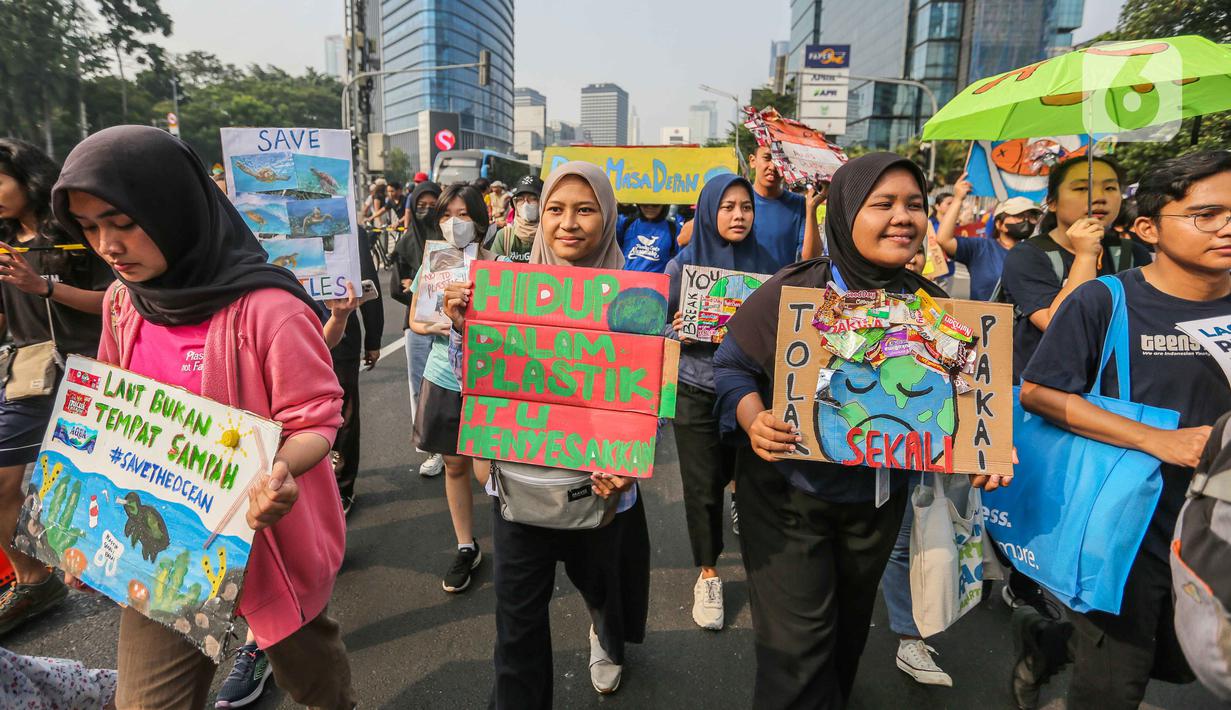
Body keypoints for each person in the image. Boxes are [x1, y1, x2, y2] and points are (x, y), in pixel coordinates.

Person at [52, 125, 353, 708]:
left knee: (317, 686)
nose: (107, 247)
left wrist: (279, 475)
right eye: (89, 229)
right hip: (165, 552)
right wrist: (82, 532)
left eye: (122, 222)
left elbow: (316, 416)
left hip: (268, 548)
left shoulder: (271, 311)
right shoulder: (122, 304)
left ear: (172, 208)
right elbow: (111, 415)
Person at [712, 153, 1008, 709]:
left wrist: (985, 450)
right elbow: (730, 368)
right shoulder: (793, 292)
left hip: (877, 504)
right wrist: (754, 420)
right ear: (844, 216)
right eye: (884, 204)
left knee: (847, 637)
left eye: (915, 205)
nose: (904, 217)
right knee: (795, 652)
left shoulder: (936, 307)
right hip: (785, 501)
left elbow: (967, 406)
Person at [1011, 150, 1231, 710]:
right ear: (1147, 228)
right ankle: (1061, 641)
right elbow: (1039, 393)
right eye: (1206, 214)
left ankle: (1056, 638)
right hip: (1129, 527)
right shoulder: (1104, 300)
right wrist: (1157, 440)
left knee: (1188, 661)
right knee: (1114, 686)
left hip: (1218, 521)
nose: (1227, 227)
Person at [443, 162, 651, 707]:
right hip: (518, 493)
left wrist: (628, 462)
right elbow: (480, 380)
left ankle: (605, 637)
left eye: (586, 210)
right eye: (556, 208)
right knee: (516, 633)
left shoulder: (638, 299)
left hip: (599, 495)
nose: (568, 223)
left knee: (604, 593)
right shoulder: (503, 291)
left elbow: (648, 396)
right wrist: (466, 329)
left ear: (607, 217)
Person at [665, 173, 790, 631]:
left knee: (753, 482)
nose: (739, 215)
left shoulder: (772, 268)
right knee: (701, 489)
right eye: (728, 206)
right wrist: (675, 328)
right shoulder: (682, 267)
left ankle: (765, 575)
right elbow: (653, 331)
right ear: (708, 210)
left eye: (746, 207)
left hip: (752, 395)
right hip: (695, 390)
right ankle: (709, 573)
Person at [0, 139, 113, 637]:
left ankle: (134, 572)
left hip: (89, 371)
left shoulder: (73, 230)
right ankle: (33, 578)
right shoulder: (1, 238)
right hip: (26, 372)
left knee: (108, 481)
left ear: (27, 178)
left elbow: (116, 300)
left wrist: (43, 286)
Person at [407, 183, 493, 593]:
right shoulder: (432, 265)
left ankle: (516, 535)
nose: (453, 223)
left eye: (462, 214)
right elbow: (415, 321)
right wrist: (442, 322)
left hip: (489, 379)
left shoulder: (496, 266)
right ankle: (465, 546)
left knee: (487, 467)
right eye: (445, 215)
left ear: (479, 220)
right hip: (443, 375)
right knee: (455, 465)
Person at [999, 154, 1151, 382]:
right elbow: (1058, 324)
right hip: (1048, 391)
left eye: (1110, 187)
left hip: (1115, 387)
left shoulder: (1133, 253)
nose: (1099, 197)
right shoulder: (1028, 255)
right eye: (1081, 189)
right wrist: (1086, 255)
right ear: (1052, 202)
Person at [394, 182, 444, 474]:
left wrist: (414, 285)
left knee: (454, 386)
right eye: (420, 204)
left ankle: (455, 444)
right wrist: (418, 291)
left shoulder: (452, 242)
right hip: (415, 327)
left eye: (432, 203)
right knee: (419, 387)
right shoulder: (406, 242)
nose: (426, 209)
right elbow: (396, 286)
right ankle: (430, 448)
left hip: (452, 326)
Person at [934, 178, 1043, 301]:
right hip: (984, 319)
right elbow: (944, 239)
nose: (1026, 221)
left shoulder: (1036, 254)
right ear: (999, 224)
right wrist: (958, 199)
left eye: (1031, 217)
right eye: (1019, 216)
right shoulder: (980, 248)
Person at [746, 144, 823, 262]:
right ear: (752, 161)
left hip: (782, 280)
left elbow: (811, 259)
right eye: (767, 158)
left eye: (780, 161)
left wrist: (811, 209)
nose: (773, 166)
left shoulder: (799, 204)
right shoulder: (738, 199)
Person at [489, 175, 542, 263]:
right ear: (515, 204)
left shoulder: (551, 237)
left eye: (532, 199)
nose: (526, 204)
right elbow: (492, 271)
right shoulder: (504, 236)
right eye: (520, 199)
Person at [614, 203, 681, 272]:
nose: (650, 207)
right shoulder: (626, 224)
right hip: (626, 280)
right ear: (639, 204)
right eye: (645, 204)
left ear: (664, 205)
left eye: (655, 204)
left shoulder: (674, 230)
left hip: (657, 281)